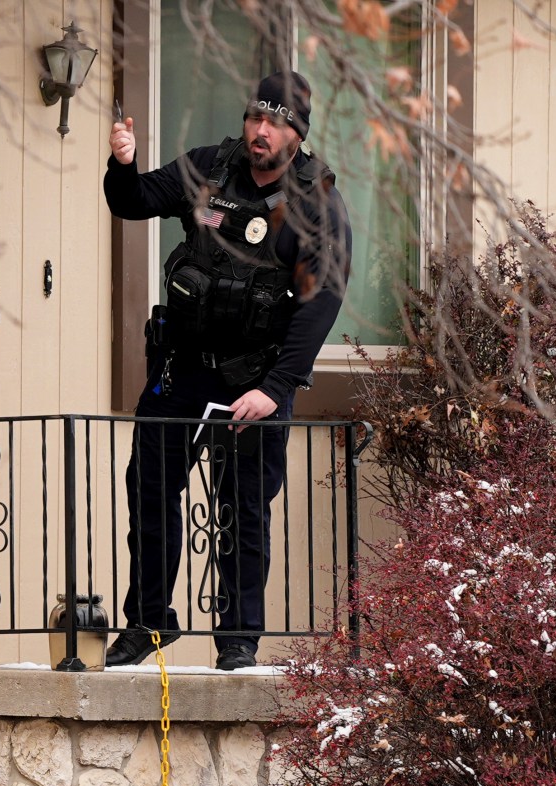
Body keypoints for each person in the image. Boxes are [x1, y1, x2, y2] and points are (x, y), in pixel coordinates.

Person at [102, 71, 351, 671]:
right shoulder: (209, 168)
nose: (261, 130)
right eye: (254, 118)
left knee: (242, 510)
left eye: (275, 121)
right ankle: (149, 622)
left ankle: (237, 638)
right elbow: (132, 203)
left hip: (255, 382)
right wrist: (123, 165)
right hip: (183, 370)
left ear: (297, 132)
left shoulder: (317, 203)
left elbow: (321, 304)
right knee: (151, 492)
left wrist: (276, 388)